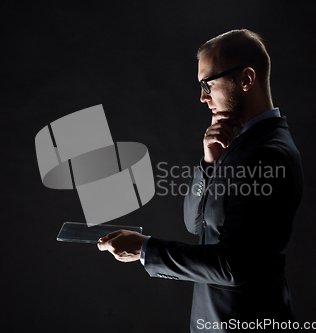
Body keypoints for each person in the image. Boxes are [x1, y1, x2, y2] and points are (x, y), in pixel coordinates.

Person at [98, 29, 304, 332]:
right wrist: (208, 164)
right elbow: (196, 225)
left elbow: (232, 265)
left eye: (208, 84)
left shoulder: (269, 154)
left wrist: (146, 250)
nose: (203, 97)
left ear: (246, 79)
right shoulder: (239, 144)